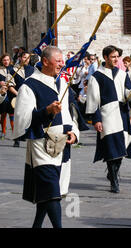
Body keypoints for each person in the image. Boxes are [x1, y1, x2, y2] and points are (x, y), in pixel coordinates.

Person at [12, 46, 80, 228]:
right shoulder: (29, 85)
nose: (62, 63)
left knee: (50, 192)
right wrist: (47, 111)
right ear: (45, 61)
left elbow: (68, 113)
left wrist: (73, 132)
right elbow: (23, 119)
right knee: (51, 191)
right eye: (58, 60)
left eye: (62, 60)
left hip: (62, 144)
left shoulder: (62, 83)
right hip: (41, 146)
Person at [86, 45, 131, 194]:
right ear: (105, 57)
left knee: (122, 147)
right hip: (107, 115)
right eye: (113, 57)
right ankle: (114, 180)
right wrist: (96, 119)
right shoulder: (97, 76)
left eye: (118, 57)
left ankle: (112, 173)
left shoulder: (123, 74)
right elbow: (92, 100)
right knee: (111, 148)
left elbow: (129, 95)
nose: (116, 59)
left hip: (122, 114)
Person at [0, 54, 16, 140]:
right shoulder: (0, 70)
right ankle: (3, 132)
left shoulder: (13, 69)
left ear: (10, 60)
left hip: (11, 93)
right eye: (4, 60)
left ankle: (14, 133)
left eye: (7, 60)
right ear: (2, 61)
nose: (6, 61)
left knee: (12, 113)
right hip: (2, 93)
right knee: (3, 113)